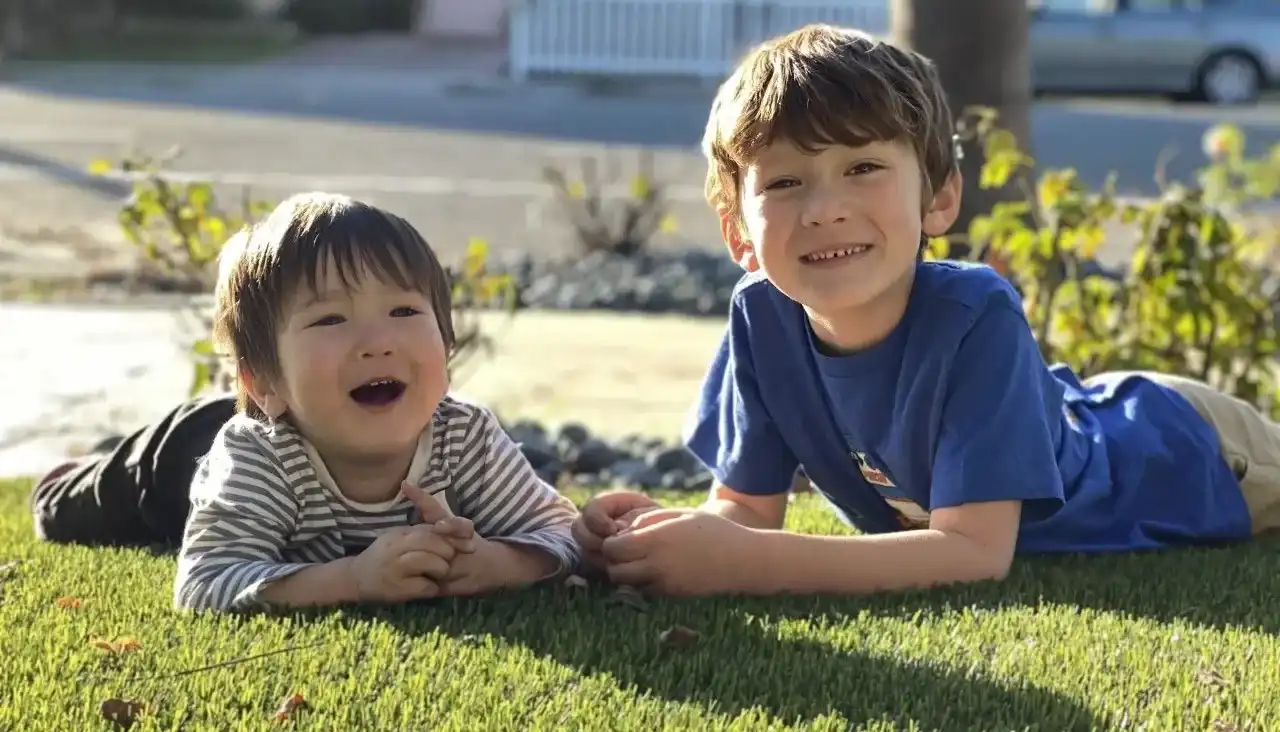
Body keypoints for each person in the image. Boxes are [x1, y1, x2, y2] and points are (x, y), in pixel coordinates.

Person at [571, 24, 1280, 598]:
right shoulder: (762, 318)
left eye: (864, 168)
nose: (825, 210)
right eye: (785, 182)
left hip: (1195, 453)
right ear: (738, 234)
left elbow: (973, 553)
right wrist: (662, 536)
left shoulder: (975, 312)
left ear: (938, 199)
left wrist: (746, 565)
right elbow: (747, 515)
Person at [150, 192, 581, 612]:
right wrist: (353, 579)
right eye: (331, 319)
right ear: (263, 380)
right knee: (98, 504)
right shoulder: (262, 457)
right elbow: (204, 582)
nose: (378, 344)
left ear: (448, 344)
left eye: (404, 312)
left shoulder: (466, 437)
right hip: (165, 467)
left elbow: (564, 534)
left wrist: (496, 565)